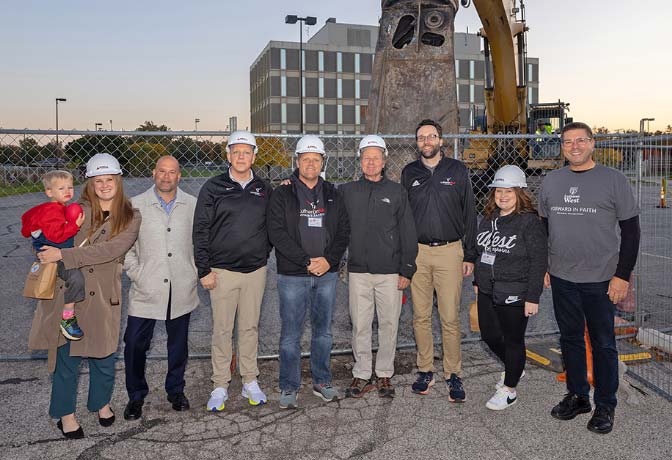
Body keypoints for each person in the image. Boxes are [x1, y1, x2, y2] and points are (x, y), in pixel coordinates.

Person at [29, 153, 141, 438]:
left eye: (109, 179)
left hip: (103, 296)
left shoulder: (131, 215)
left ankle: (101, 404)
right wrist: (42, 245)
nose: (104, 185)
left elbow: (111, 250)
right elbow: (46, 237)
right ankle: (66, 415)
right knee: (67, 359)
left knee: (104, 356)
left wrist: (63, 254)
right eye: (98, 180)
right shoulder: (73, 209)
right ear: (90, 184)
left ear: (118, 181)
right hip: (71, 295)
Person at [539, 122, 640, 434]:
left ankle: (606, 404)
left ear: (592, 143)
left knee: (603, 342)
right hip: (562, 276)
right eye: (568, 142)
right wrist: (546, 265)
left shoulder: (613, 180)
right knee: (569, 339)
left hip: (601, 278)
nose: (575, 146)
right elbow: (544, 228)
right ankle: (579, 395)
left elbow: (631, 231)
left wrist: (621, 275)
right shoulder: (552, 181)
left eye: (581, 140)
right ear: (562, 147)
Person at [267, 134, 350, 409]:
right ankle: (289, 386)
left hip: (326, 274)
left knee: (323, 332)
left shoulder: (334, 194)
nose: (311, 164)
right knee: (290, 334)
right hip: (293, 274)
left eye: (316, 159)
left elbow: (343, 232)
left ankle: (321, 381)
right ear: (298, 161)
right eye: (306, 159)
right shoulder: (282, 193)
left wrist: (329, 260)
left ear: (322, 161)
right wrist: (306, 260)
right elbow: (277, 233)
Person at [193, 131, 273, 412]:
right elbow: (200, 230)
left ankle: (250, 378)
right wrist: (204, 269)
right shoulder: (213, 187)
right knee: (222, 330)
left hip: (255, 271)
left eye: (247, 152)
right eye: (236, 152)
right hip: (222, 271)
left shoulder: (264, 188)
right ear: (228, 155)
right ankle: (220, 384)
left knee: (250, 328)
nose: (241, 157)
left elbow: (272, 227)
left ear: (254, 155)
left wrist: (263, 255)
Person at [400, 118, 478, 402]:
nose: (427, 141)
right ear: (417, 142)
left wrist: (470, 254)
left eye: (431, 136)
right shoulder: (409, 173)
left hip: (450, 251)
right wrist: (404, 257)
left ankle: (453, 373)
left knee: (449, 316)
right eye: (421, 137)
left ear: (441, 140)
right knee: (420, 316)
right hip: (418, 253)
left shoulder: (457, 170)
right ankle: (425, 370)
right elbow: (403, 217)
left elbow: (470, 213)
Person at [340, 135, 417, 399]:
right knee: (360, 325)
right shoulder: (347, 192)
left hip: (390, 272)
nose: (371, 162)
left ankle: (384, 373)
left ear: (384, 161)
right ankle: (361, 373)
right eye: (366, 158)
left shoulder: (397, 192)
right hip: (359, 272)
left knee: (388, 324)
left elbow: (408, 233)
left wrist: (407, 270)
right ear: (360, 161)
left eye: (376, 158)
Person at [122, 156, 199, 420]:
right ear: (153, 173)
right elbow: (125, 247)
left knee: (177, 346)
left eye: (172, 172)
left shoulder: (192, 205)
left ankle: (175, 390)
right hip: (147, 287)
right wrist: (136, 273)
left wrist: (194, 271)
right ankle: (135, 395)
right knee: (134, 343)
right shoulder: (135, 205)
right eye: (162, 172)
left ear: (180, 175)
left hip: (181, 285)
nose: (167, 177)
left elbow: (200, 243)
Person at [473, 165, 547, 410]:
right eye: (498, 191)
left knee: (514, 340)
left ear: (520, 193)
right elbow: (482, 252)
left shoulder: (529, 222)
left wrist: (533, 296)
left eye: (509, 192)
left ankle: (510, 389)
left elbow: (538, 261)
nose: (502, 196)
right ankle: (516, 367)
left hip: (515, 290)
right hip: (487, 289)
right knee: (489, 336)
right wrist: (477, 281)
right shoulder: (488, 218)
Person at [21, 170, 86, 340]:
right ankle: (67, 316)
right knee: (77, 278)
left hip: (53, 251)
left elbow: (26, 223)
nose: (67, 191)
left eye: (70, 187)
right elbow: (56, 235)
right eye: (61, 188)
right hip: (53, 254)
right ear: (49, 192)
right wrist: (74, 225)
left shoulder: (52, 208)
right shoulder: (52, 211)